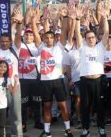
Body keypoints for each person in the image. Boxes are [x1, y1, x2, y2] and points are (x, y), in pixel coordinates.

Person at [34, 8, 73, 137]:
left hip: (58, 80)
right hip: (45, 82)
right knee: (47, 107)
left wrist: (65, 17)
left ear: (54, 39)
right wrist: (37, 19)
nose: (49, 39)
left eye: (51, 37)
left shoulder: (59, 47)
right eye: (47, 37)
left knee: (63, 106)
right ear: (44, 38)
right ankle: (47, 131)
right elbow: (35, 32)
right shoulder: (41, 47)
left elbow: (65, 31)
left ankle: (68, 130)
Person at [73, 2, 109, 137]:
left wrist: (104, 17)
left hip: (99, 80)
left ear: (95, 38)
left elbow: (106, 32)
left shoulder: (100, 47)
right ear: (85, 39)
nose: (91, 39)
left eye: (93, 37)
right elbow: (77, 32)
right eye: (88, 38)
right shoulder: (82, 48)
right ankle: (86, 129)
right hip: (85, 81)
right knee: (85, 106)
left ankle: (101, 128)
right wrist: (77, 19)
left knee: (100, 106)